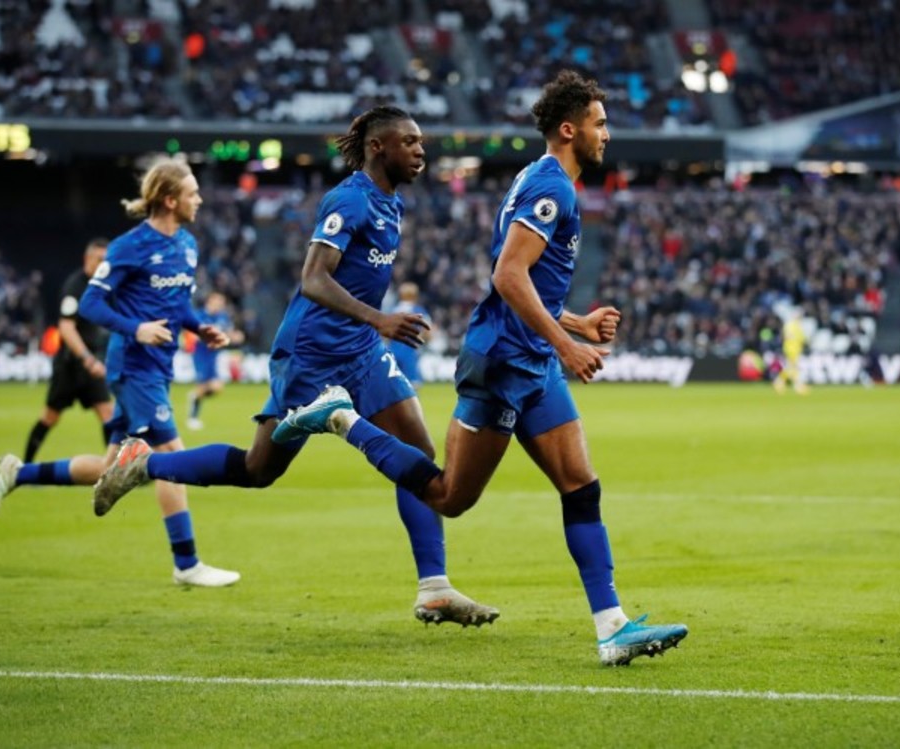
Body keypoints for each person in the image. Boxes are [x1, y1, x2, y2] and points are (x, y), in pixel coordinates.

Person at [271, 71, 688, 666]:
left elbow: (525, 280)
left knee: (581, 485)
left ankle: (612, 627)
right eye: (599, 123)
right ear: (569, 129)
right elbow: (507, 276)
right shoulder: (552, 189)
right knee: (449, 497)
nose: (607, 134)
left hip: (532, 360)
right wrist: (567, 346)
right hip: (501, 362)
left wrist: (575, 324)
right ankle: (343, 420)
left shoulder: (541, 180)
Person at [90, 106, 498, 626]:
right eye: (410, 141)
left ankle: (434, 587)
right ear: (378, 147)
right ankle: (143, 465)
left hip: (360, 351)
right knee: (258, 470)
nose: (422, 151)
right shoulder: (349, 200)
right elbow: (313, 279)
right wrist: (380, 320)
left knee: (417, 451)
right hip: (311, 354)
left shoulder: (391, 202)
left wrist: (371, 329)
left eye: (421, 142)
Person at [0, 158, 240, 587]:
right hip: (134, 367)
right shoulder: (129, 247)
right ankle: (186, 563)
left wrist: (200, 327)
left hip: (158, 366)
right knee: (170, 456)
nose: (199, 199)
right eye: (192, 193)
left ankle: (18, 473)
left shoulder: (187, 245)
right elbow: (90, 304)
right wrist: (136, 328)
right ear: (170, 200)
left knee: (109, 466)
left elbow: (177, 305)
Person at [22, 238, 114, 463]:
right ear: (87, 259)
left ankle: (114, 470)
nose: (103, 264)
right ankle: (24, 468)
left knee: (108, 415)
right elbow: (66, 327)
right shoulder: (75, 286)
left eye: (106, 260)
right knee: (50, 417)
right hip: (70, 365)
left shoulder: (101, 286)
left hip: (91, 365)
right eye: (99, 259)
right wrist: (87, 358)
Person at [186, 292, 243, 430]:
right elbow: (192, 334)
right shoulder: (199, 315)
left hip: (214, 354)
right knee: (203, 385)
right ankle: (193, 418)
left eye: (222, 302)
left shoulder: (223, 317)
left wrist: (235, 336)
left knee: (217, 388)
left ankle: (194, 396)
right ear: (210, 301)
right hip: (201, 354)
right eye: (218, 301)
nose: (220, 305)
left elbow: (228, 332)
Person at [386, 281, 430, 388]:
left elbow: (385, 333)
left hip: (393, 350)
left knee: (393, 383)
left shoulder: (393, 310)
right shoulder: (419, 311)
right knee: (413, 385)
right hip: (410, 351)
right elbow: (428, 332)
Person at [773, 308, 809, 395]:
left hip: (793, 349)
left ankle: (779, 382)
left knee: (791, 367)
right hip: (792, 349)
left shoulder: (793, 324)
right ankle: (796, 385)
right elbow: (797, 337)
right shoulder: (792, 325)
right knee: (793, 367)